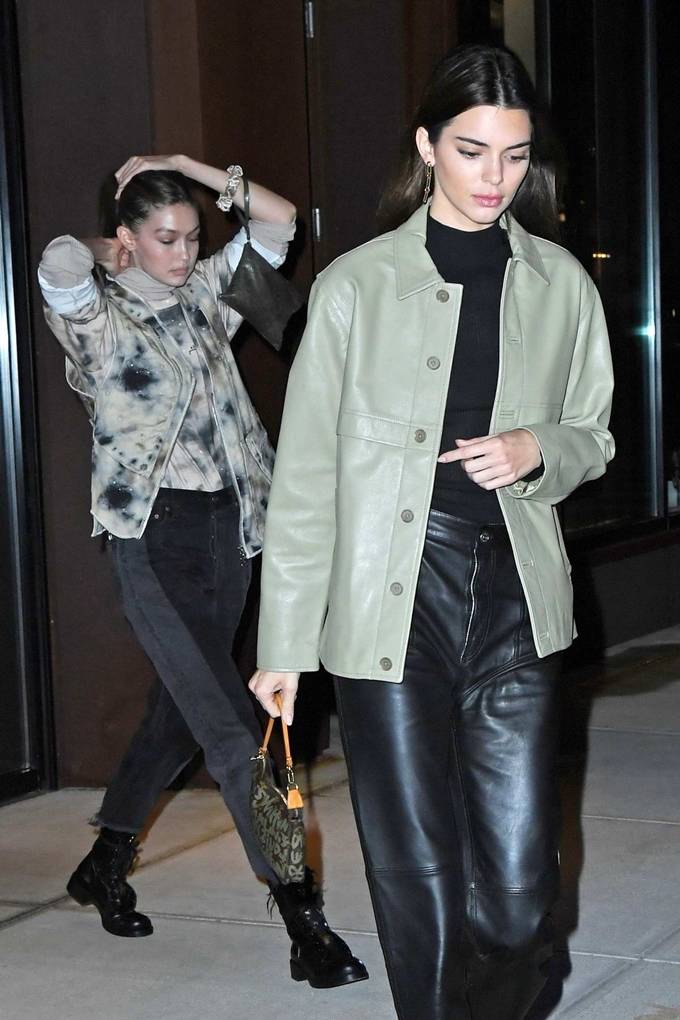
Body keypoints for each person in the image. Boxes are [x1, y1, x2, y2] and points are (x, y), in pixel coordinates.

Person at [250, 44, 614, 1020]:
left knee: (518, 902)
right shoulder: (354, 289)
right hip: (389, 604)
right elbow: (306, 479)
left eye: (514, 155)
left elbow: (594, 435)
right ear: (425, 146)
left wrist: (538, 447)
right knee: (420, 885)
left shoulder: (560, 285)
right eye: (470, 151)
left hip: (514, 604)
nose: (494, 178)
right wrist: (284, 643)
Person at [39, 153, 367, 990]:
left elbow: (279, 221)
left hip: (231, 531)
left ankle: (105, 860)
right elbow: (58, 262)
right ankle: (302, 913)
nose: (184, 253)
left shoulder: (207, 296)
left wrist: (184, 165)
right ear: (127, 238)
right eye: (163, 238)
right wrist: (105, 249)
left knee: (181, 714)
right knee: (232, 731)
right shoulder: (95, 315)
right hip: (150, 539)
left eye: (192, 237)